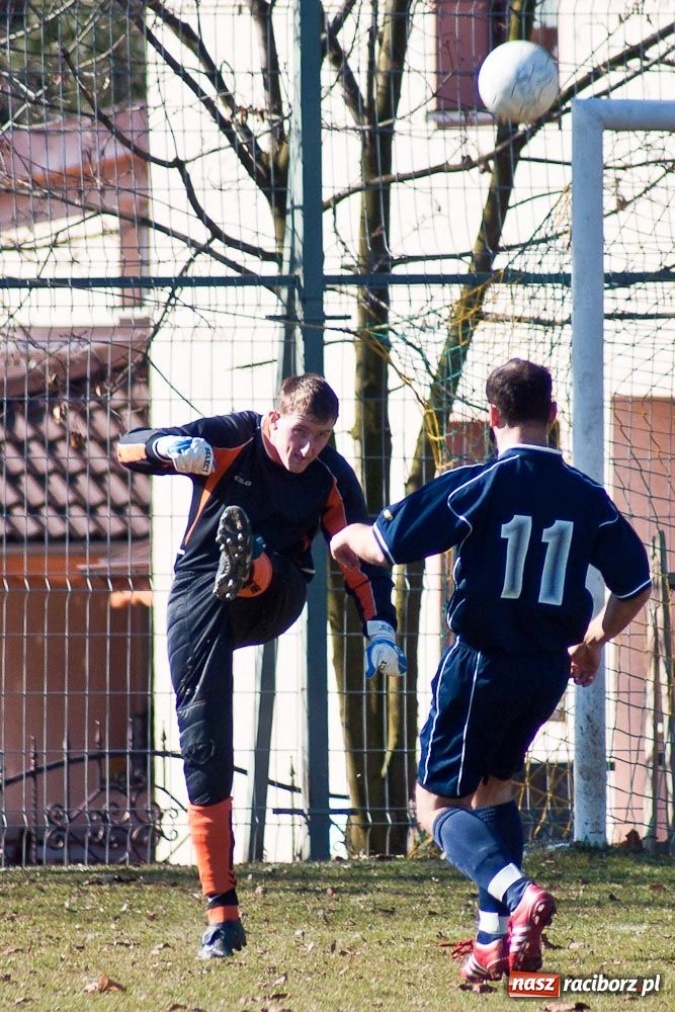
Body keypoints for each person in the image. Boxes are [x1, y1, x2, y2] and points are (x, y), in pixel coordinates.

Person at [329, 358, 651, 983]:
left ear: (493, 416)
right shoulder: (590, 497)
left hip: (482, 664)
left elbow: (388, 544)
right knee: (495, 790)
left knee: (435, 803)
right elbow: (635, 585)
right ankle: (492, 944)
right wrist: (593, 639)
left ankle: (516, 893)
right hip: (546, 672)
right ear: (554, 417)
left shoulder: (476, 483)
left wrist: (346, 539)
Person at [117, 373, 406, 959]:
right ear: (275, 419)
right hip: (199, 594)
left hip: (277, 595)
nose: (307, 450)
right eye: (300, 433)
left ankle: (247, 559)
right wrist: (168, 448)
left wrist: (380, 625)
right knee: (203, 743)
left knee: (269, 566)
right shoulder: (233, 437)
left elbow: (357, 554)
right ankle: (222, 916)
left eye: (321, 437)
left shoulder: (330, 477)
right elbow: (128, 445)